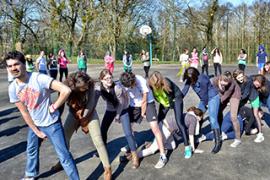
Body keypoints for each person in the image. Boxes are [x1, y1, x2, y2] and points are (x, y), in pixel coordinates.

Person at [5, 51, 79, 180]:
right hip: (35, 125)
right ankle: (30, 174)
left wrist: (54, 106)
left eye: (16, 64)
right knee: (32, 149)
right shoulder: (13, 88)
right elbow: (24, 112)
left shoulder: (38, 78)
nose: (13, 68)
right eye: (10, 66)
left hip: (52, 124)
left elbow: (65, 90)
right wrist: (36, 131)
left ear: (24, 64)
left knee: (64, 156)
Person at [51, 71, 112, 180]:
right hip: (73, 113)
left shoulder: (90, 84)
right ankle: (62, 161)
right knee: (64, 138)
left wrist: (83, 118)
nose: (87, 87)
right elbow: (60, 105)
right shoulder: (66, 87)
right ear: (75, 88)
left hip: (89, 113)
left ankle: (107, 169)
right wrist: (56, 118)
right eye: (84, 88)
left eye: (87, 85)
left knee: (98, 140)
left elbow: (91, 104)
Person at [120, 72, 167, 169]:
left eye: (132, 85)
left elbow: (145, 99)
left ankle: (163, 156)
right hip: (134, 104)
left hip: (148, 103)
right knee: (129, 128)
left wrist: (142, 112)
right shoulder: (122, 83)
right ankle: (132, 144)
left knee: (155, 128)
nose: (131, 88)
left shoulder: (140, 80)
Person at [97, 69, 139, 169]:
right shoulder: (99, 88)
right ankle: (103, 151)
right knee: (103, 130)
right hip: (110, 110)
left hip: (123, 109)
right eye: (106, 78)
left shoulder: (117, 88)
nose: (109, 80)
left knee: (128, 133)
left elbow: (121, 104)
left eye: (110, 78)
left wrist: (118, 115)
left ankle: (135, 156)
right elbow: (94, 99)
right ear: (101, 80)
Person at [148, 71, 192, 159]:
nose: (155, 86)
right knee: (158, 121)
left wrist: (174, 106)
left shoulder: (167, 83)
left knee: (179, 122)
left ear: (160, 80)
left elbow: (175, 96)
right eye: (153, 84)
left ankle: (187, 147)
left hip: (176, 99)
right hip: (165, 103)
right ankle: (156, 141)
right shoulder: (151, 86)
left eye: (157, 83)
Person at [182, 67, 222, 154]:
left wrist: (206, 105)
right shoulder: (190, 79)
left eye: (192, 79)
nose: (190, 81)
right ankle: (198, 135)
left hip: (212, 97)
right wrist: (178, 99)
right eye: (189, 79)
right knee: (197, 116)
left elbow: (205, 93)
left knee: (212, 119)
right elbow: (184, 91)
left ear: (195, 76)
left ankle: (218, 142)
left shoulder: (202, 78)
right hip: (204, 99)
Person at [232, 69, 264, 143]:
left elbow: (245, 93)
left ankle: (260, 134)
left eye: (241, 76)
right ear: (235, 78)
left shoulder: (248, 81)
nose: (241, 78)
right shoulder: (235, 82)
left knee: (255, 114)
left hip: (253, 96)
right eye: (238, 77)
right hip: (245, 97)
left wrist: (236, 99)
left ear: (243, 75)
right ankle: (238, 126)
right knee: (237, 110)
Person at [212, 74, 242, 147]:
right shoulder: (214, 80)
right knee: (218, 112)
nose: (223, 86)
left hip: (235, 94)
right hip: (223, 93)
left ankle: (238, 139)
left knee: (233, 117)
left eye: (225, 85)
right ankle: (219, 133)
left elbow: (226, 95)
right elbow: (214, 91)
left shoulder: (231, 83)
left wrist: (218, 100)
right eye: (222, 85)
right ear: (219, 80)